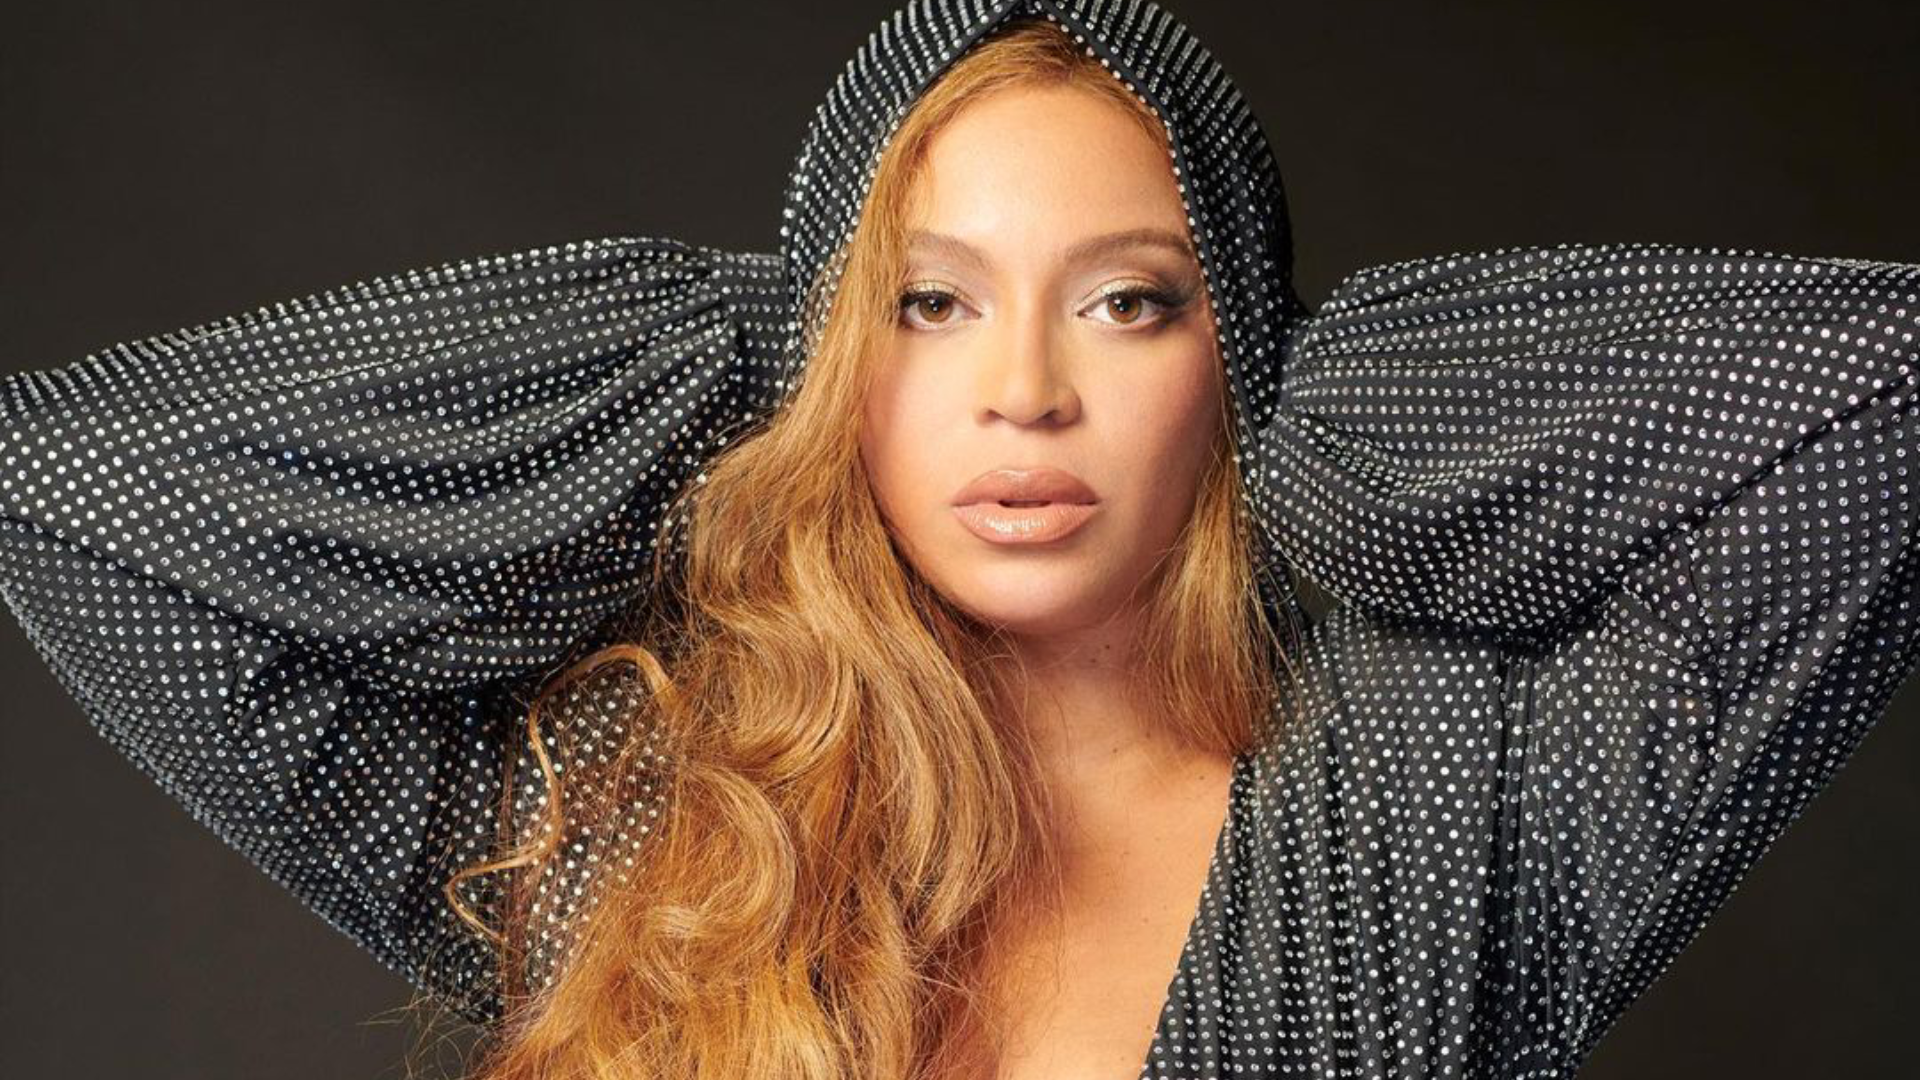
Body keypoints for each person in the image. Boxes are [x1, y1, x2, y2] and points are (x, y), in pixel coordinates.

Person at [1, 2, 1915, 1078]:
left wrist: (1332, 395)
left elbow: (1881, 402)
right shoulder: (642, 828)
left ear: (1232, 349)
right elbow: (78, 492)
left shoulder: (1464, 810)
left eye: (1130, 303)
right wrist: (737, 363)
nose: (1023, 393)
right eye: (927, 306)